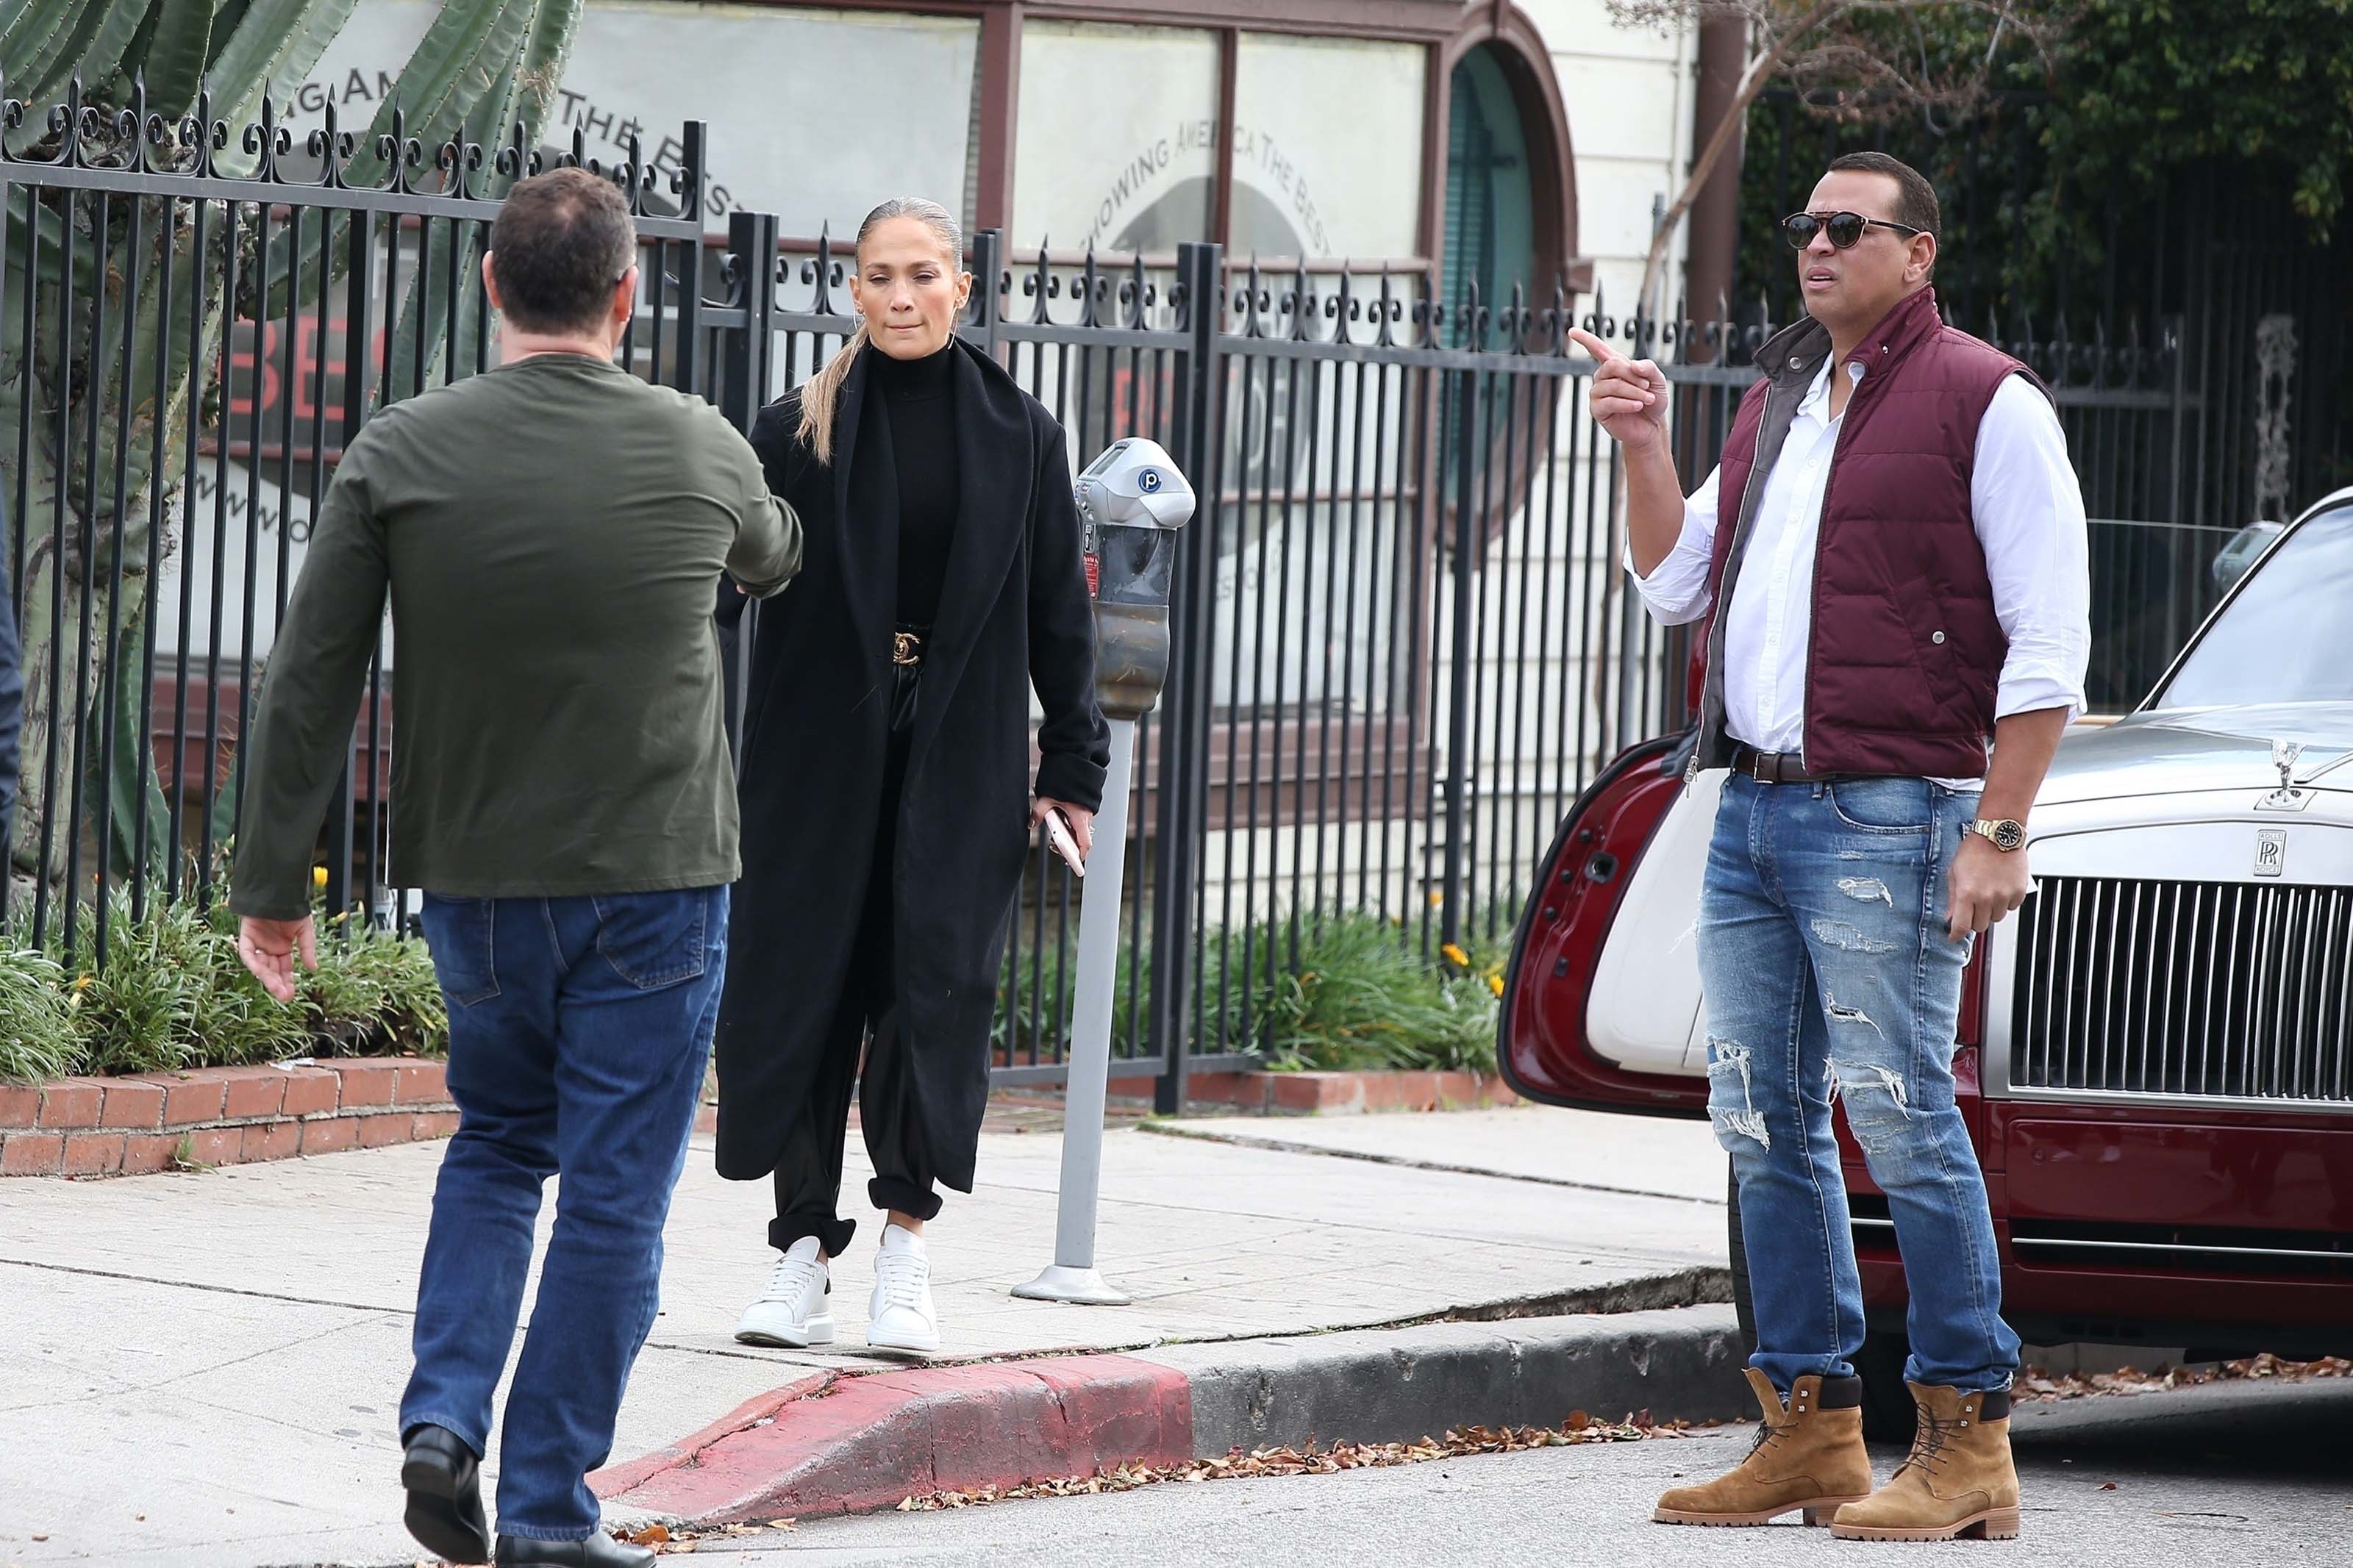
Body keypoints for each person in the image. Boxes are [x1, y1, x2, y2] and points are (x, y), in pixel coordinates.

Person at [229, 167, 801, 1568]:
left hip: (479, 886)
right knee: (614, 1196)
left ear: (491, 284)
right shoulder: (699, 441)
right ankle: (547, 1508)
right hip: (659, 880)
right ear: (628, 295)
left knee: (495, 1145)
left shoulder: (401, 450)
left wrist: (274, 886)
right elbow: (776, 556)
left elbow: (308, 678)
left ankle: (443, 1420)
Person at [1573, 151, 2089, 1543]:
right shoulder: (1780, 398)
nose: (1815, 243)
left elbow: (2050, 644)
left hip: (1894, 811)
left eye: (1847, 226)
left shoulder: (1987, 399)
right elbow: (1674, 581)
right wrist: (1643, 444)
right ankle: (1809, 1428)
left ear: (1919, 254)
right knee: (1762, 1117)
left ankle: (1969, 1438)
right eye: (1805, 223)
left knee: (1903, 1111)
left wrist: (1999, 827)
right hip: (1752, 806)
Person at [713, 196, 1109, 1356]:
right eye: (880, 276)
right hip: (813, 755)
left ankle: (906, 1251)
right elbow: (720, 583)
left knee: (929, 994)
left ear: (962, 287)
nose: (901, 296)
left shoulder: (1020, 433)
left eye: (923, 275)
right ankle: (801, 1252)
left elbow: (1060, 616)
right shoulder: (796, 427)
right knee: (807, 988)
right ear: (853, 290)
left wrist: (1072, 767)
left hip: (961, 754)